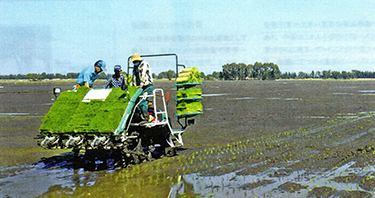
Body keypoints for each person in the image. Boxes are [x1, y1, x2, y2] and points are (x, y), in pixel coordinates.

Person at [129, 53, 154, 120]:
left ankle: (147, 117)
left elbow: (143, 75)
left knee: (142, 102)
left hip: (147, 86)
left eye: (135, 61)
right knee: (135, 102)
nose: (134, 63)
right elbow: (134, 77)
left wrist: (142, 84)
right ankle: (138, 116)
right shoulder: (135, 67)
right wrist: (132, 85)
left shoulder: (144, 64)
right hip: (139, 87)